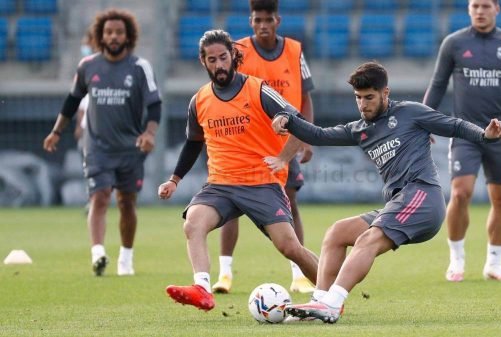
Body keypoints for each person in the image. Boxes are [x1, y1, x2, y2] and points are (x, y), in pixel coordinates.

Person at [271, 61, 501, 323]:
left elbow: (455, 126)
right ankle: (319, 303)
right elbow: (318, 134)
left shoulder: (410, 113)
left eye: (369, 97)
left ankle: (333, 304)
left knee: (367, 240)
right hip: (399, 202)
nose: (363, 104)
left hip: (423, 197)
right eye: (358, 98)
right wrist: (289, 119)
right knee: (337, 232)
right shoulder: (359, 130)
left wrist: (485, 136)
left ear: (386, 93)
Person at [157, 29, 318, 312]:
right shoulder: (199, 100)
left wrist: (284, 157)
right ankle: (203, 289)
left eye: (223, 57)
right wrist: (174, 179)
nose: (219, 65)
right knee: (193, 222)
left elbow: (298, 120)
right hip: (221, 185)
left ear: (233, 55)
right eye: (212, 59)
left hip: (261, 183)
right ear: (202, 62)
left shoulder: (257, 89)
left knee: (289, 247)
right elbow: (193, 143)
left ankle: (330, 295)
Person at [422, 0, 501, 282]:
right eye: (475, 6)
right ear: (468, 10)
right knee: (460, 192)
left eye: (485, 6)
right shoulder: (453, 43)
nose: (480, 11)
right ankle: (456, 259)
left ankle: (495, 263)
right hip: (465, 132)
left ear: (497, 9)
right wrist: (424, 120)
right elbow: (438, 84)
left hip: (500, 134)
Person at [43, 8, 162, 277]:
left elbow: (155, 106)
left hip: (130, 149)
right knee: (99, 197)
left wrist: (149, 133)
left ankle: (126, 259)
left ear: (128, 35)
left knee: (126, 203)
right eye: (109, 32)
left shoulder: (140, 67)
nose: (114, 36)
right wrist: (56, 131)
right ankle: (98, 253)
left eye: (119, 32)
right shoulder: (88, 67)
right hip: (97, 148)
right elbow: (72, 102)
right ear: (100, 35)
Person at [211, 0, 316, 295]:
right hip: (245, 142)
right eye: (258, 20)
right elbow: (223, 90)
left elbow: (305, 98)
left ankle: (299, 274)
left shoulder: (295, 51)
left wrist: (306, 138)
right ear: (250, 21)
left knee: (290, 202)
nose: (263, 25)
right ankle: (225, 274)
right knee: (231, 208)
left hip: (284, 144)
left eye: (268, 20)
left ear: (278, 21)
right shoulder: (239, 51)